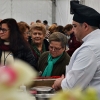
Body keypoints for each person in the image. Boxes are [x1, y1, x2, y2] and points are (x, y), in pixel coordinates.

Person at [52, 2, 100, 97]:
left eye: (75, 26)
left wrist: (61, 82)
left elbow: (73, 86)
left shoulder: (89, 49)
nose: (73, 30)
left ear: (85, 26)